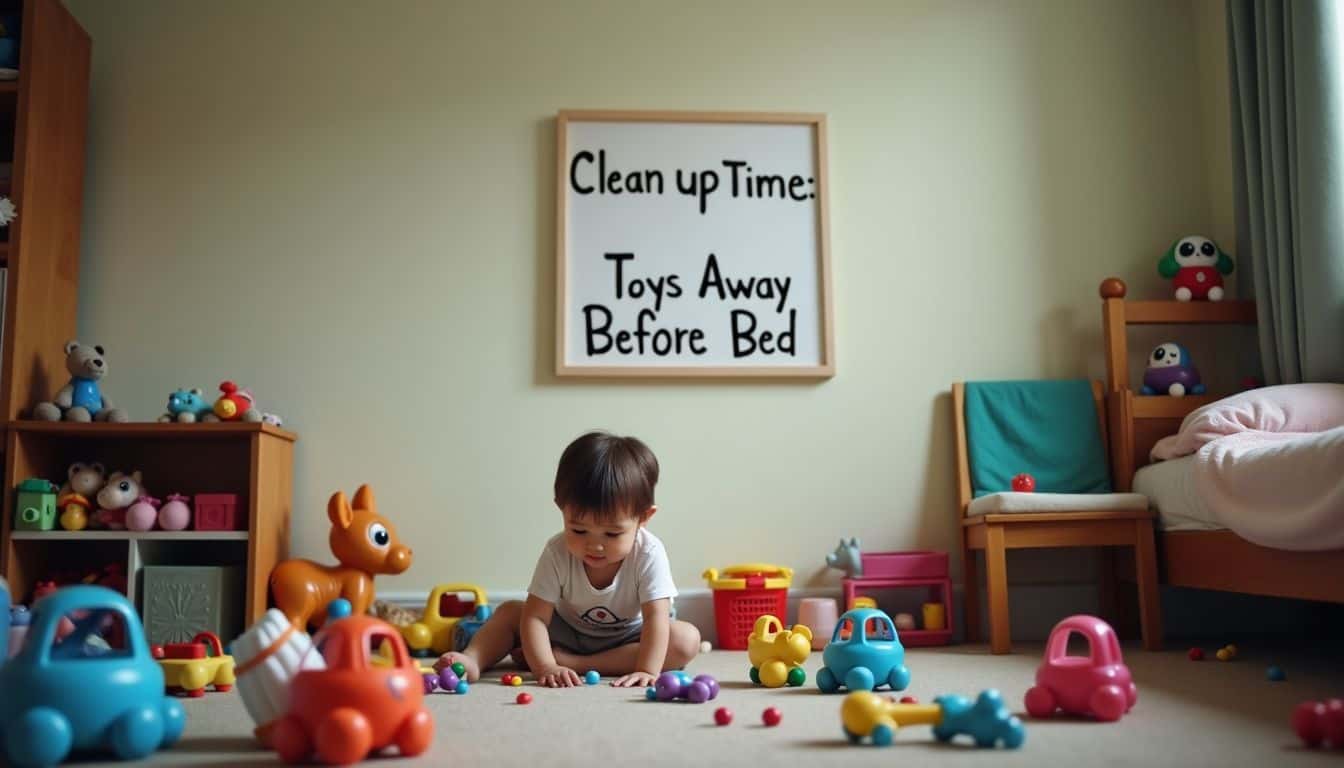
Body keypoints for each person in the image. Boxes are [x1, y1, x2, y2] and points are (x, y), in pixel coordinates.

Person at [436, 430, 701, 687]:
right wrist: (546, 667)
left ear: (644, 518)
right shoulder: (557, 551)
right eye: (579, 530)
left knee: (686, 639)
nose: (595, 545)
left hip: (629, 638)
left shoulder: (649, 553)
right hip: (567, 631)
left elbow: (656, 618)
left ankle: (576, 663)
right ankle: (473, 659)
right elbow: (536, 618)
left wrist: (646, 670)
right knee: (510, 612)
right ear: (561, 509)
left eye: (612, 533)